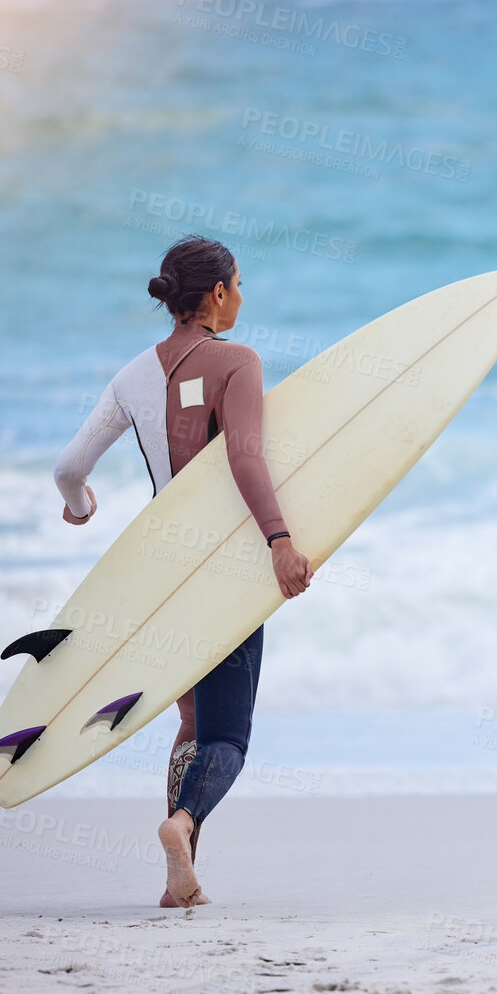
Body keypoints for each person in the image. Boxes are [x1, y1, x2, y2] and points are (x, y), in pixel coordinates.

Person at [53, 236, 311, 905]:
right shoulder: (237, 361)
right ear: (218, 293)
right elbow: (245, 459)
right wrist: (280, 539)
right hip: (222, 571)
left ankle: (182, 876)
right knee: (228, 734)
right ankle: (181, 826)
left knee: (192, 722)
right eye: (239, 285)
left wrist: (79, 508)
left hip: (160, 573)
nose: (243, 298)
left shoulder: (130, 376)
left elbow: (68, 469)